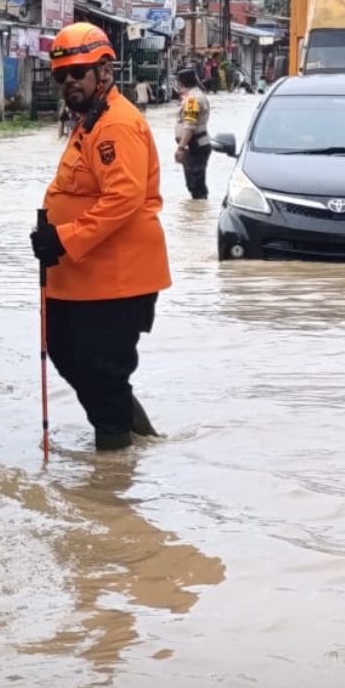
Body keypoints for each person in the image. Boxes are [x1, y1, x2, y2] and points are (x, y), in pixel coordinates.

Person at [29, 23, 171, 451]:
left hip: (115, 280)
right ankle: (140, 444)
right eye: (60, 76)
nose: (68, 82)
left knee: (101, 371)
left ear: (104, 70)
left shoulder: (115, 126)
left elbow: (123, 199)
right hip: (85, 278)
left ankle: (113, 478)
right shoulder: (90, 122)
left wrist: (65, 238)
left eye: (78, 72)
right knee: (69, 354)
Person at [174, 65, 212, 198]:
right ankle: (199, 215)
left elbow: (189, 126)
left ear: (180, 82)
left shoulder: (192, 100)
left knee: (195, 185)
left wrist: (180, 148)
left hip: (195, 146)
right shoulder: (196, 95)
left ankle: (198, 214)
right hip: (197, 145)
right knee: (195, 184)